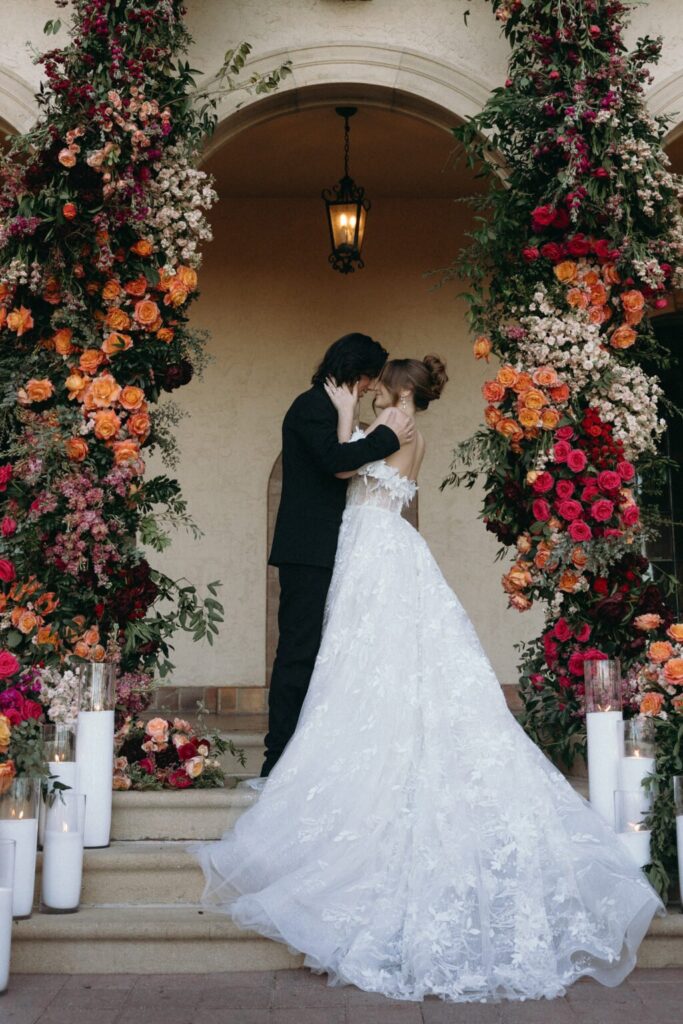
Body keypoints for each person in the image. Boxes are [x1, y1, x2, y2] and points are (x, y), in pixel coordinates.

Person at [193, 354, 664, 1004]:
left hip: (374, 552)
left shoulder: (393, 425)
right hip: (385, 550)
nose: (372, 392)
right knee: (383, 664)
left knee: (367, 663)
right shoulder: (417, 433)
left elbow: (347, 464)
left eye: (378, 385)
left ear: (394, 389)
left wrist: (338, 416)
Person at [262, 332, 414, 776]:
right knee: (298, 651)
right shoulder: (310, 407)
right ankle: (277, 760)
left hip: (340, 551)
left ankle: (309, 755)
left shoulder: (333, 408)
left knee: (331, 655)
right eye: (368, 378)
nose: (369, 388)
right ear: (354, 371)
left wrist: (350, 416)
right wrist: (386, 435)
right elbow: (336, 462)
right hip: (308, 552)